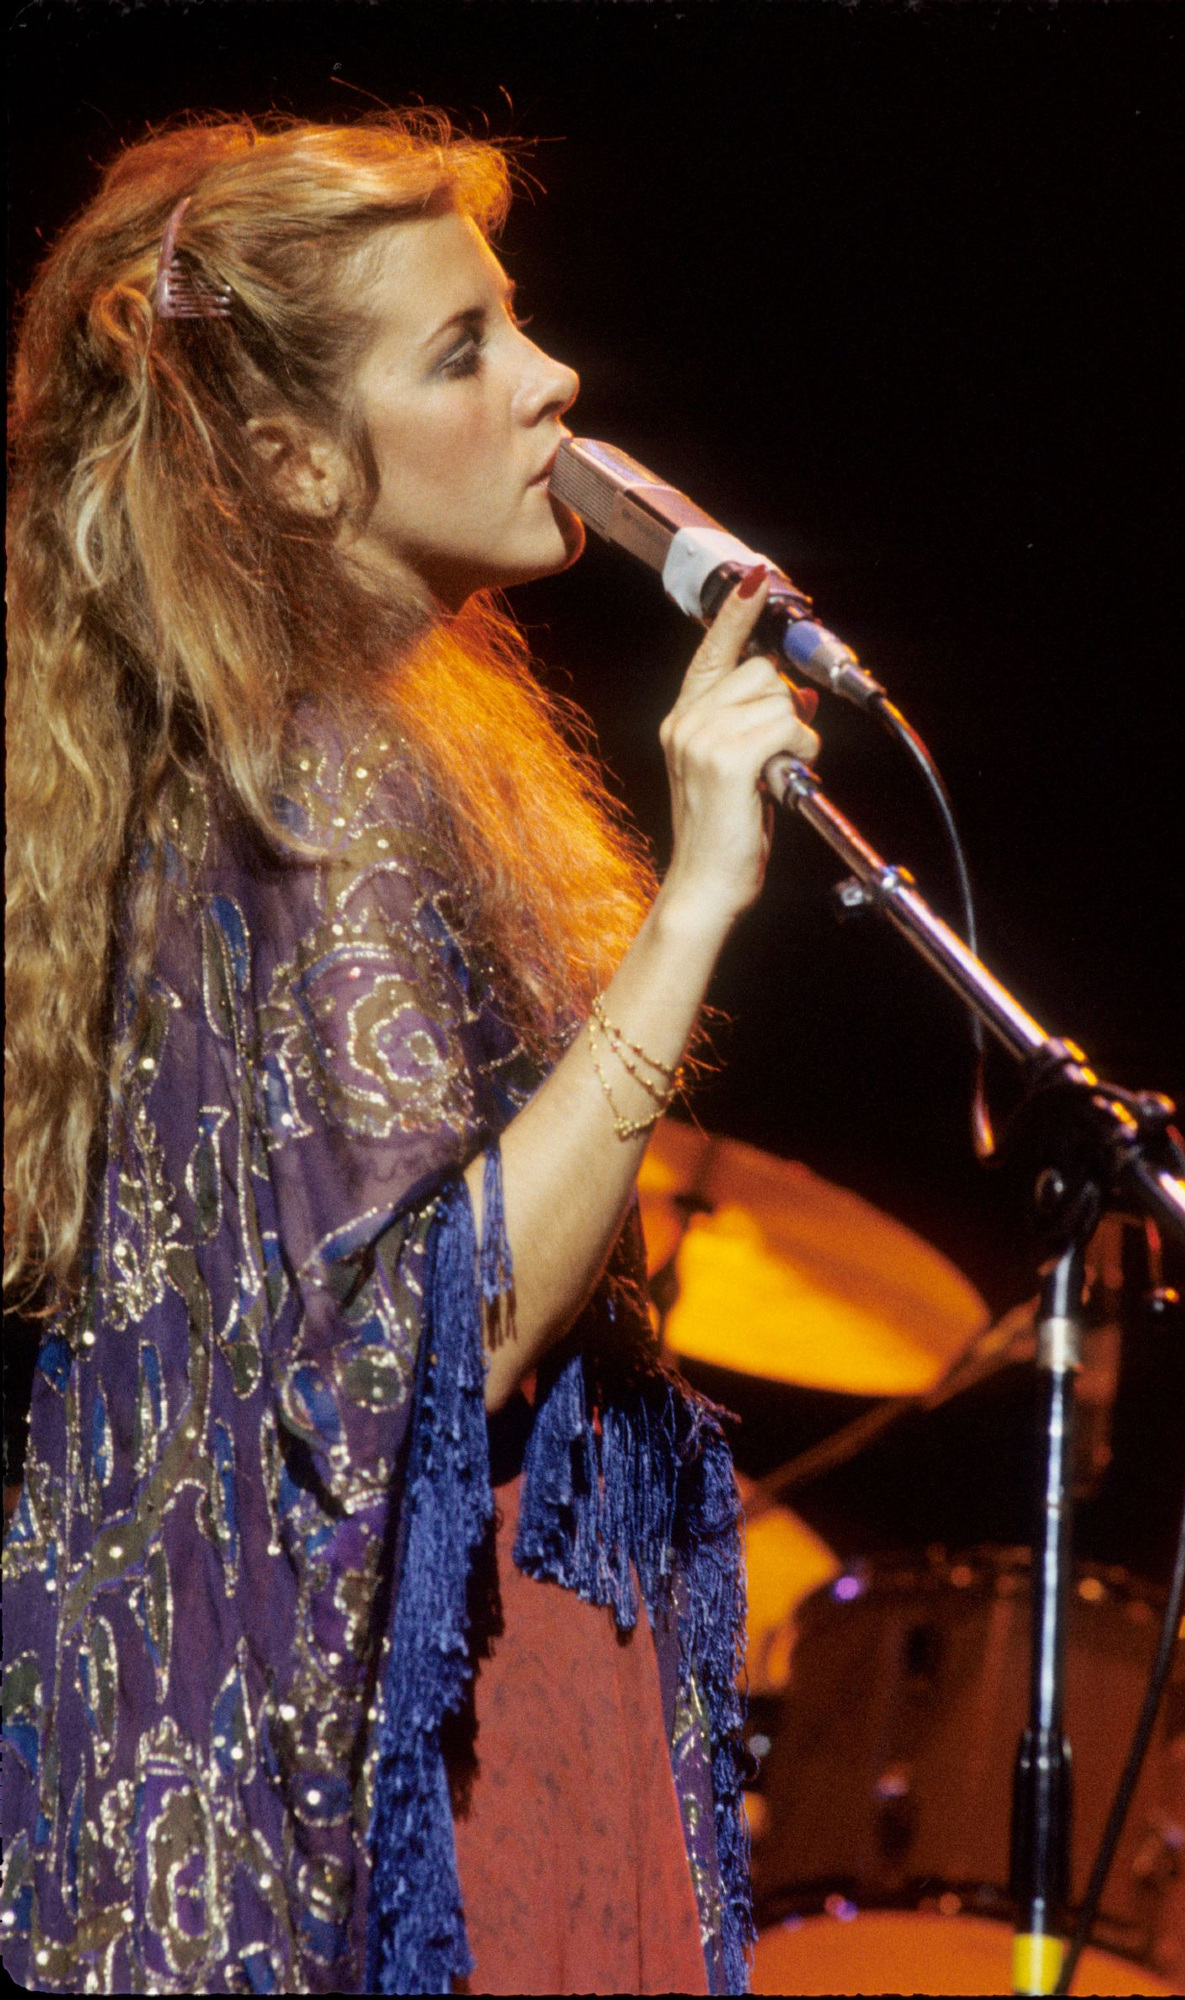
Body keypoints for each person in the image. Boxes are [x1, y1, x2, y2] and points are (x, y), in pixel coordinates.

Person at [1, 111, 820, 1995]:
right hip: (416, 1751)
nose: (552, 380)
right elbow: (436, 1337)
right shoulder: (314, 780)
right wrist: (698, 899)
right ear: (294, 464)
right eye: (463, 351)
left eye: (515, 321)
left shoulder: (371, 737)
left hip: (431, 1680)